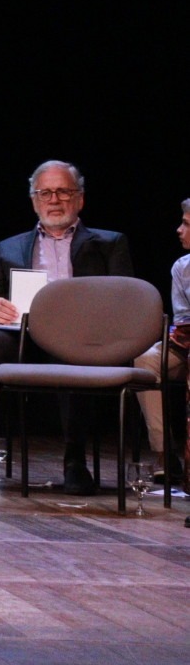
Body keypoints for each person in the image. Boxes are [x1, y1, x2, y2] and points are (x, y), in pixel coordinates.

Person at [0, 160, 133, 495]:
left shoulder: (109, 243)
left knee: (77, 352)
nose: (55, 200)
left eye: (63, 191)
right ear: (34, 200)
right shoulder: (9, 248)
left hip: (81, 337)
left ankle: (75, 462)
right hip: (24, 336)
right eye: (46, 193)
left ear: (79, 199)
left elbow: (126, 297)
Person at [132, 198, 190, 484]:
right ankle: (165, 454)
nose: (179, 230)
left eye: (187, 224)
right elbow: (183, 320)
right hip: (187, 350)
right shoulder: (181, 267)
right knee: (146, 360)